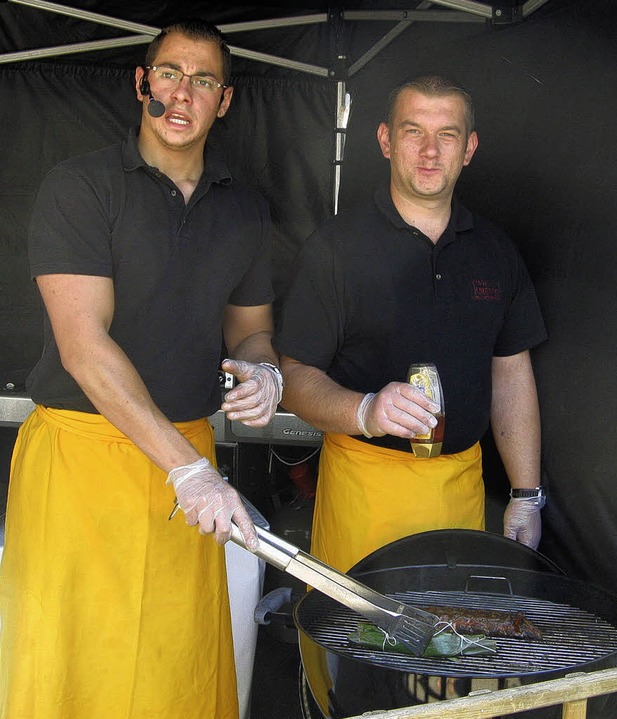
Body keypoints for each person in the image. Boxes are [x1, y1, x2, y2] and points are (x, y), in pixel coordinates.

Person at [0, 19, 282, 719]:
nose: (184, 93)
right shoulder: (81, 188)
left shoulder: (245, 212)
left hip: (190, 468)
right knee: (75, 668)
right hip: (82, 462)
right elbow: (83, 347)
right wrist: (187, 469)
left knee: (173, 669)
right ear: (141, 84)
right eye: (170, 74)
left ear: (226, 101)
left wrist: (264, 373)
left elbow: (252, 332)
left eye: (205, 80)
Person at [274, 74, 548, 577]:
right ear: (384, 140)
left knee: (447, 645)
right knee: (357, 647)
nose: (429, 150)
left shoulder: (495, 251)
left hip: (460, 495)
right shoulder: (336, 247)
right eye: (412, 130)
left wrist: (526, 495)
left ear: (469, 149)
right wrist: (365, 410)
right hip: (363, 489)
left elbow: (510, 374)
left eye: (447, 135)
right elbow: (293, 378)